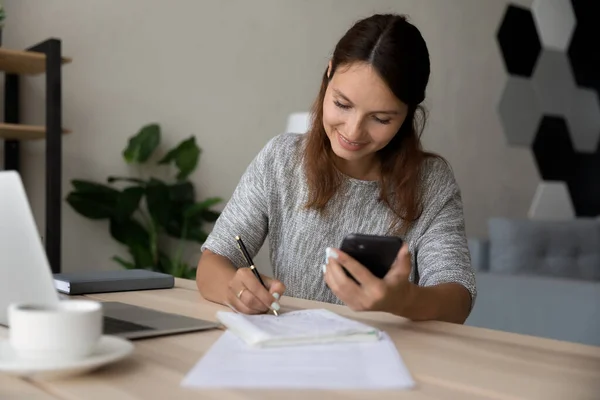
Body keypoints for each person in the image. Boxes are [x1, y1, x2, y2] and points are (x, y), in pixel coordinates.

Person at [196, 13, 476, 324]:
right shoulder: (281, 159)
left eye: (381, 119)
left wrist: (404, 299)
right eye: (342, 104)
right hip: (294, 354)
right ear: (329, 73)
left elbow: (457, 300)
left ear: (409, 113)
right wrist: (236, 290)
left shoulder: (431, 183)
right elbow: (212, 263)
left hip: (390, 359)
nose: (353, 131)